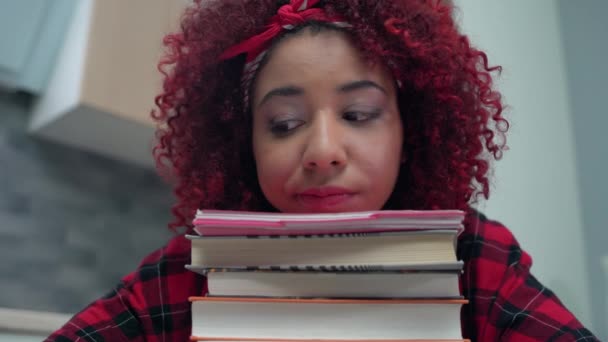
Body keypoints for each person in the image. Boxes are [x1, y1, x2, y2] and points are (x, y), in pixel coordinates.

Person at [47, 0, 598, 341]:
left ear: (411, 132)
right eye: (284, 124)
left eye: (358, 114)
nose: (323, 150)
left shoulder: (475, 257)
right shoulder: (190, 271)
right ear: (246, 147)